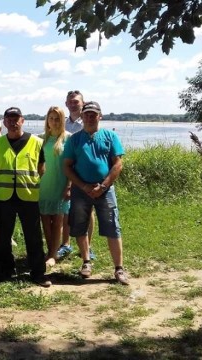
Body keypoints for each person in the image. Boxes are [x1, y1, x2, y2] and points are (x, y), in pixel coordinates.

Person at [62, 101, 129, 285]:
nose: (90, 118)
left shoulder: (110, 136)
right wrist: (83, 186)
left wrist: (104, 186)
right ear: (82, 117)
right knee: (80, 227)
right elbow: (67, 166)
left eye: (94, 115)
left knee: (112, 227)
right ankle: (86, 262)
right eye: (87, 114)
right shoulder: (74, 139)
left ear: (100, 116)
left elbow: (118, 164)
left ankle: (119, 268)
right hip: (80, 190)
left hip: (105, 190)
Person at [0, 107, 50, 287]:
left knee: (33, 236)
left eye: (16, 119)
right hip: (4, 197)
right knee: (3, 236)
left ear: (22, 120)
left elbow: (41, 168)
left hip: (28, 196)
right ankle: (6, 269)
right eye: (9, 119)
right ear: (4, 122)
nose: (13, 122)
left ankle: (38, 273)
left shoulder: (37, 142)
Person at [57, 90, 96, 260]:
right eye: (70, 102)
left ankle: (88, 247)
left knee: (88, 211)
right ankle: (65, 245)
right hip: (66, 171)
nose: (73, 104)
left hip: (83, 174)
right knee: (66, 210)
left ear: (83, 103)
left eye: (76, 102)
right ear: (66, 104)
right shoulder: (63, 124)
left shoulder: (88, 121)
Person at [39, 107, 71, 267]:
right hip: (43, 185)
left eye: (57, 118)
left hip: (60, 184)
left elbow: (73, 165)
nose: (54, 121)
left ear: (62, 120)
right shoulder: (40, 139)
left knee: (58, 221)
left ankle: (53, 254)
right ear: (47, 121)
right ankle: (50, 250)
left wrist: (69, 186)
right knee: (45, 220)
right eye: (51, 118)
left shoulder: (68, 139)